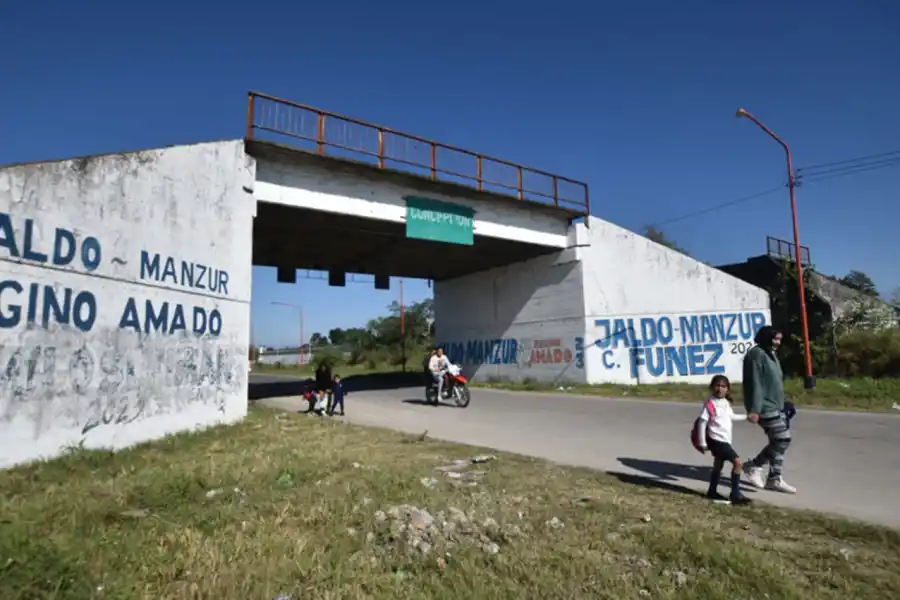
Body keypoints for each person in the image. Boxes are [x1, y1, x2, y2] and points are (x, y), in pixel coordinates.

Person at [742, 326, 797, 494]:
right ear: (766, 337)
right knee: (782, 439)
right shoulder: (756, 354)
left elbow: (773, 382)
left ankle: (773, 477)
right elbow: (755, 382)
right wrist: (755, 409)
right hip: (764, 406)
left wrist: (784, 402)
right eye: (775, 339)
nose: (778, 343)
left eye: (780, 339)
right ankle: (756, 466)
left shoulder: (770, 353)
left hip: (776, 405)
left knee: (778, 441)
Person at [694, 375, 752, 505]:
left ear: (728, 389)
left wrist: (746, 417)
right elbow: (702, 423)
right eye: (717, 386)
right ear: (712, 387)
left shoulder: (725, 402)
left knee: (718, 464)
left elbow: (731, 416)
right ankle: (735, 494)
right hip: (716, 440)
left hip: (725, 440)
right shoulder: (710, 403)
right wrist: (702, 443)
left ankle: (712, 491)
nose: (720, 389)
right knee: (738, 463)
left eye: (723, 386)